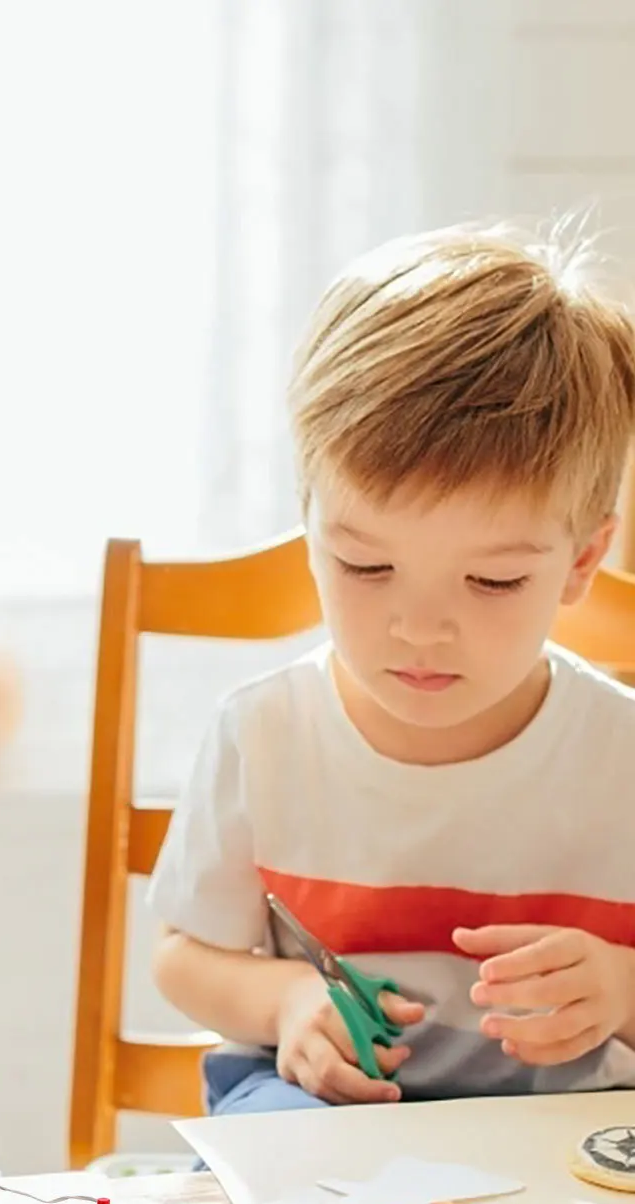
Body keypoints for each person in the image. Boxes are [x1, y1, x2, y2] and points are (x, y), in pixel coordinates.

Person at [147, 223, 635, 1116]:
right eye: (365, 566)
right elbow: (182, 954)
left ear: (581, 561)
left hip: (569, 1122)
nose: (418, 630)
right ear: (309, 524)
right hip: (319, 1104)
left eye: (492, 580)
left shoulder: (621, 754)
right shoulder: (265, 733)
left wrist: (623, 991)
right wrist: (288, 1000)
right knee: (286, 1172)